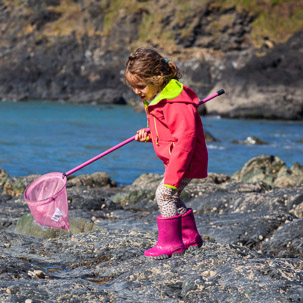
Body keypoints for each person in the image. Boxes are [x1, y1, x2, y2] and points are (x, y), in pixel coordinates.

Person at [125, 47, 207, 259]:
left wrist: (172, 177)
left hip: (185, 159)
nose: (137, 92)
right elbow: (167, 131)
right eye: (133, 87)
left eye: (140, 86)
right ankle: (189, 237)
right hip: (177, 157)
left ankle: (171, 243)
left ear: (157, 78)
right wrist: (150, 134)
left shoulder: (176, 103)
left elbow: (185, 141)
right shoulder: (159, 97)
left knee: (164, 194)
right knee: (173, 195)